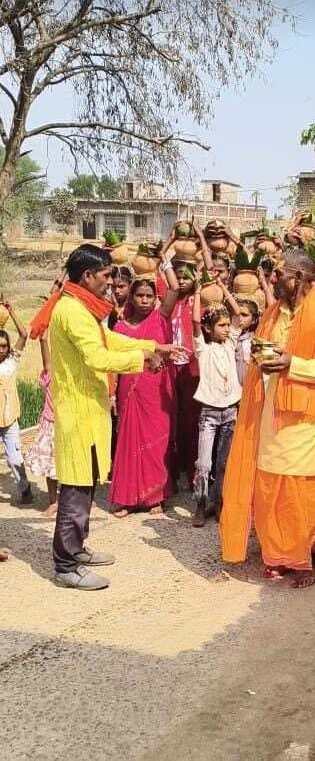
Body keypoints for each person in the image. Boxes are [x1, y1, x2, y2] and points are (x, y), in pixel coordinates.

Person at [31, 244, 172, 590]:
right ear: (87, 276)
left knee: (87, 484)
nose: (110, 282)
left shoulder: (82, 307)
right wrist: (143, 360)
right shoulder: (72, 311)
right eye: (106, 275)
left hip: (89, 411)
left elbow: (108, 337)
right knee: (75, 491)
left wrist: (154, 347)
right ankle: (65, 564)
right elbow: (97, 356)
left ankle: (77, 549)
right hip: (76, 413)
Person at [220, 248, 315, 589]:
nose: (272, 280)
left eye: (279, 274)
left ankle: (301, 559)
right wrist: (260, 356)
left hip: (304, 418)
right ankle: (276, 555)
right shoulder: (273, 314)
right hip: (269, 411)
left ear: (300, 278)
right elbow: (262, 350)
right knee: (268, 487)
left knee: (298, 492)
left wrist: (294, 364)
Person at [108, 259, 179, 518]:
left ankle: (155, 497)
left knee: (155, 444)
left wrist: (163, 262)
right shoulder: (120, 327)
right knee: (128, 442)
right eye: (140, 295)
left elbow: (174, 288)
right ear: (131, 297)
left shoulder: (161, 319)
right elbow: (112, 363)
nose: (145, 300)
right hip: (129, 390)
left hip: (157, 393)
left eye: (149, 295)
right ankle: (128, 499)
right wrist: (111, 394)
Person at [191, 280, 243, 527]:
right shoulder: (204, 348)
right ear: (209, 329)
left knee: (223, 463)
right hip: (209, 413)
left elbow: (236, 314)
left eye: (225, 326)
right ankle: (200, 504)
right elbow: (194, 322)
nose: (225, 329)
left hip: (230, 411)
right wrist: (198, 293)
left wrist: (222, 285)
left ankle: (219, 502)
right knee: (204, 463)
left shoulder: (231, 343)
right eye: (220, 326)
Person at [170, 259, 200, 492]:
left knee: (191, 423)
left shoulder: (198, 302)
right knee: (171, 421)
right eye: (178, 277)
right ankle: (171, 476)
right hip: (171, 365)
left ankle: (192, 473)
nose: (181, 281)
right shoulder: (171, 301)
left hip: (192, 367)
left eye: (186, 277)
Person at [0, 299, 31, 504]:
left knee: (14, 458)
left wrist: (11, 311)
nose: (0, 349)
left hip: (9, 418)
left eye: (3, 346)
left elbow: (24, 335)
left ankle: (25, 489)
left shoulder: (11, 363)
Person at [25, 330, 58, 516]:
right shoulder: (51, 372)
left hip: (70, 426)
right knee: (49, 464)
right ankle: (53, 501)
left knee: (70, 466)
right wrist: (48, 316)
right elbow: (44, 340)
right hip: (50, 425)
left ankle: (72, 501)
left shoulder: (75, 375)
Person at [234, 297, 260, 386]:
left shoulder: (255, 340)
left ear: (253, 320)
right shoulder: (227, 339)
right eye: (236, 314)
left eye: (244, 315)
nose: (239, 318)